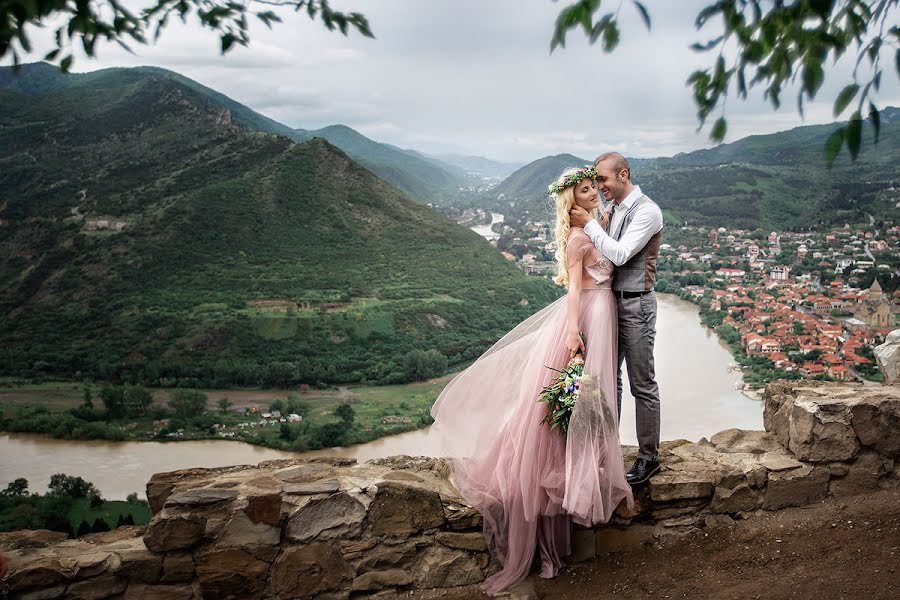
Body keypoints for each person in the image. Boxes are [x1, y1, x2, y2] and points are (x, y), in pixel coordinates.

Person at [428, 166, 633, 595]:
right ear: (571, 201)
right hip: (588, 316)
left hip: (602, 314)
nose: (594, 193)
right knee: (568, 404)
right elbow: (575, 291)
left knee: (583, 403)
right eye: (585, 189)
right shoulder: (580, 238)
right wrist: (575, 334)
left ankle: (576, 477)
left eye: (594, 186)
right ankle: (555, 505)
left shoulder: (593, 227)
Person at [569, 152, 664, 485]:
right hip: (609, 305)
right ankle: (607, 451)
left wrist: (590, 225)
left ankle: (649, 457)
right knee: (609, 383)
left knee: (642, 384)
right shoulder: (612, 210)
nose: (600, 186)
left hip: (636, 305)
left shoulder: (648, 211)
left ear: (623, 175)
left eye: (604, 180)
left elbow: (621, 254)